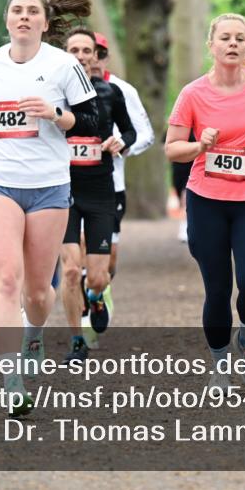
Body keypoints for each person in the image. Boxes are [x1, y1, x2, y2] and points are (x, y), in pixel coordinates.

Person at [0, 0, 99, 417]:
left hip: (48, 186)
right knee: (6, 282)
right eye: (16, 10)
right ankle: (11, 378)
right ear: (7, 21)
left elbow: (89, 120)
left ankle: (34, 332)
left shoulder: (64, 65)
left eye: (31, 11)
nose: (23, 16)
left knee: (38, 292)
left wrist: (55, 114)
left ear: (45, 23)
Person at [165, 13, 245, 392]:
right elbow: (172, 150)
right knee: (217, 289)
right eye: (225, 38)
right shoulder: (192, 94)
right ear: (212, 45)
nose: (233, 43)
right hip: (206, 200)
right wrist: (200, 145)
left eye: (240, 38)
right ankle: (220, 364)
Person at [60, 28, 136, 362]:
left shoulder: (110, 92)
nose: (79, 55)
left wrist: (121, 142)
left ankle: (96, 297)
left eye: (85, 50)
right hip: (63, 191)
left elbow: (130, 130)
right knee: (70, 271)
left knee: (97, 276)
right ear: (65, 54)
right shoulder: (54, 94)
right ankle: (77, 340)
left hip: (101, 191)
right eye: (73, 49)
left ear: (95, 56)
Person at [92, 33, 154, 317]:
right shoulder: (62, 88)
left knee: (108, 260)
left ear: (105, 57)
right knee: (76, 259)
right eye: (83, 52)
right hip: (71, 185)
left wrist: (123, 145)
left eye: (99, 53)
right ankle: (84, 314)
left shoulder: (121, 89)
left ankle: (99, 291)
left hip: (111, 185)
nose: (91, 58)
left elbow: (146, 135)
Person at [168, 129, 197, 242]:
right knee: (183, 200)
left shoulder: (201, 125)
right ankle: (185, 227)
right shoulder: (175, 127)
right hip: (179, 170)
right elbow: (166, 147)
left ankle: (186, 228)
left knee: (187, 199)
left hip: (195, 169)